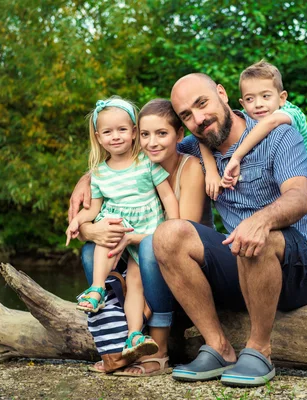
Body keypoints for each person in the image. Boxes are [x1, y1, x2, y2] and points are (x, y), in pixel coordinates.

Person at [152, 73, 307, 387]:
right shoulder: (194, 147)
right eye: (186, 115)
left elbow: (300, 198)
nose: (198, 118)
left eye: (202, 103)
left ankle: (259, 349)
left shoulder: (278, 131)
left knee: (255, 234)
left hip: (303, 266)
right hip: (243, 261)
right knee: (168, 235)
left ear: (221, 93)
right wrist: (88, 180)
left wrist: (261, 220)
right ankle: (219, 346)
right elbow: (139, 153)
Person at [69, 99, 213, 376]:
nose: (152, 142)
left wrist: (132, 236)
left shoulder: (166, 164)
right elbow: (96, 203)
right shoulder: (110, 169)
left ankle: (158, 350)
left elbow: (179, 229)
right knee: (90, 250)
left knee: (149, 247)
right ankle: (119, 344)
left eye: (160, 134)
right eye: (147, 134)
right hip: (130, 242)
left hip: (177, 261)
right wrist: (83, 224)